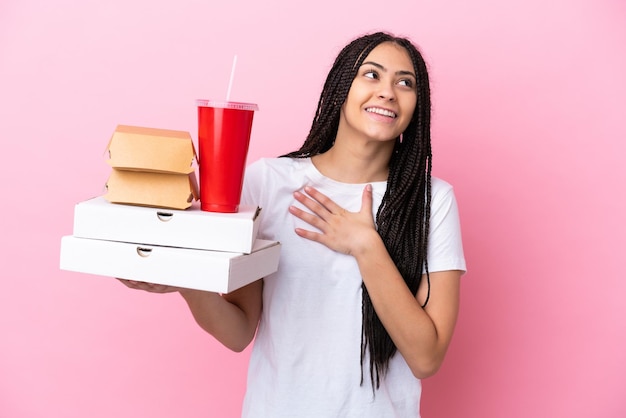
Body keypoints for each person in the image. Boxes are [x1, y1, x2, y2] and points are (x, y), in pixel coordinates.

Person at [120, 31, 466, 417]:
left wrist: (366, 246)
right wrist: (187, 284)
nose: (387, 91)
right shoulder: (267, 183)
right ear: (340, 87)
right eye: (372, 74)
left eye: (405, 82)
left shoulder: (432, 201)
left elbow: (426, 358)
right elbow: (238, 332)